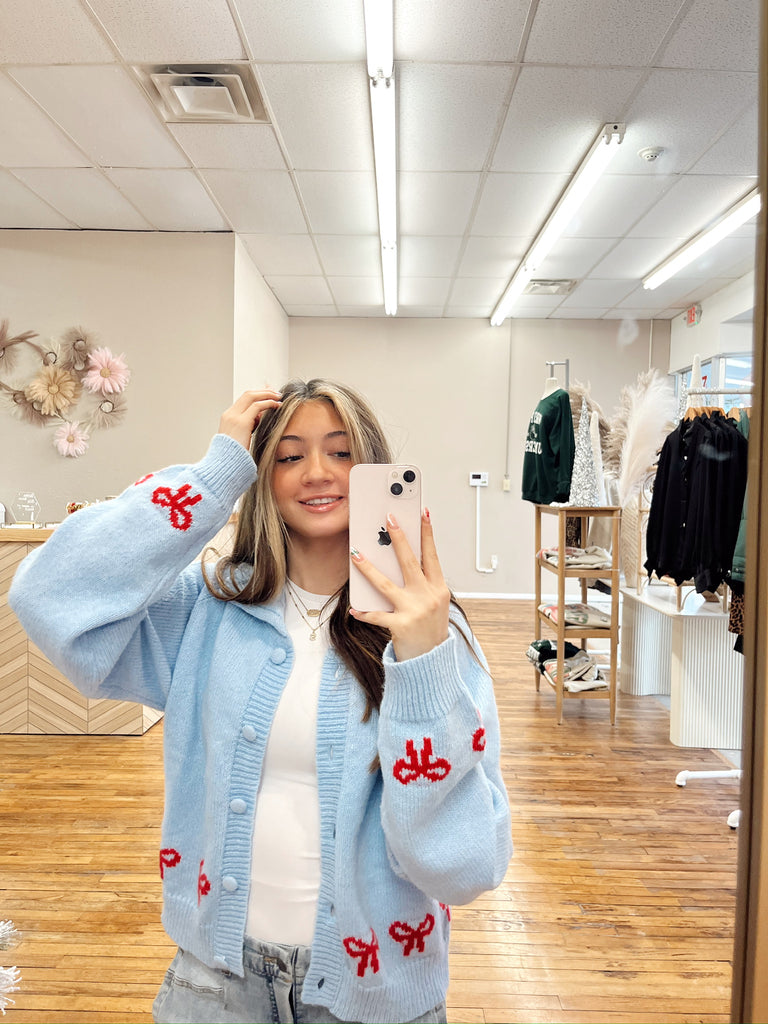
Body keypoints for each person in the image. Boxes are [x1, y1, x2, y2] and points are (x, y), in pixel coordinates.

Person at [10, 378, 511, 1024]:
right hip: (216, 986)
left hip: (376, 994)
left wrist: (422, 663)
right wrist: (213, 478)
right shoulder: (210, 612)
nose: (318, 473)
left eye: (340, 452)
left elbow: (464, 866)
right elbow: (47, 596)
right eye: (290, 456)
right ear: (261, 475)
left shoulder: (435, 640)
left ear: (374, 472)